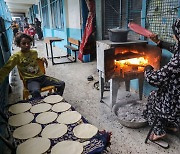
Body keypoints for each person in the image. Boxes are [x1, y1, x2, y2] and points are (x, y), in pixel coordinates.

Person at [143, 18, 180, 141]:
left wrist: (147, 69)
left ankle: (159, 131)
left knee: (153, 96)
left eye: (174, 33)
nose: (173, 36)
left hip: (176, 101)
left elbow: (155, 79)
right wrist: (158, 42)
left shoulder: (177, 62)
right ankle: (172, 125)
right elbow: (173, 47)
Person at [0, 33, 65, 99]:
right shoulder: (16, 56)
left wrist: (41, 59)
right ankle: (39, 105)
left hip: (42, 77)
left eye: (29, 43)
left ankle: (54, 99)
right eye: (24, 43)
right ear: (19, 44)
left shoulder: (34, 53)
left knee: (61, 84)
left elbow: (34, 59)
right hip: (31, 80)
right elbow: (7, 68)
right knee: (35, 92)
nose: (27, 45)